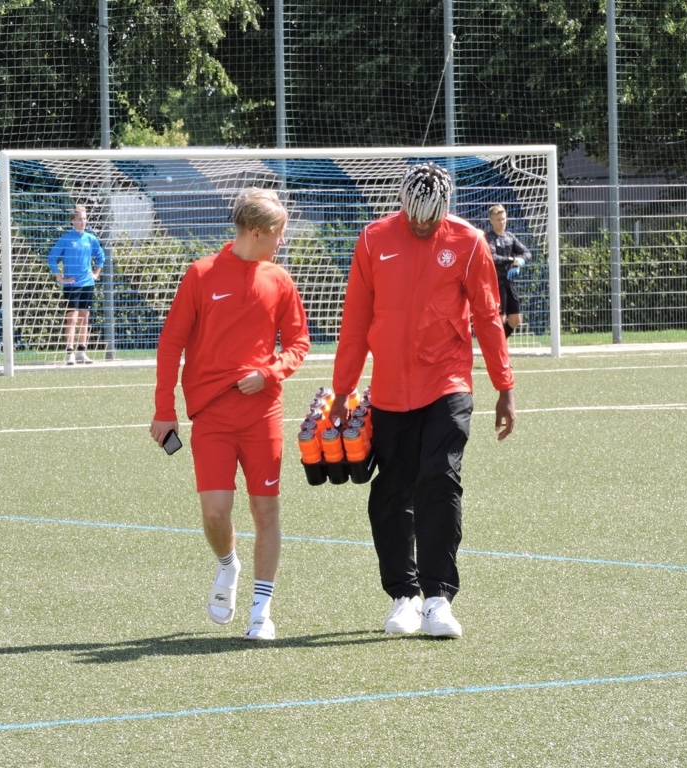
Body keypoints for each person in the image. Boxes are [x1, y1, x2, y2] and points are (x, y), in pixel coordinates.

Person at [328, 162, 515, 639]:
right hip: (390, 389)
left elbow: (488, 316)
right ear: (402, 204)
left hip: (447, 382)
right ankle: (404, 596)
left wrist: (504, 386)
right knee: (392, 491)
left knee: (440, 477)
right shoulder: (372, 239)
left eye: (430, 219)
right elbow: (355, 320)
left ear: (445, 209)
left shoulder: (470, 241)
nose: (420, 225)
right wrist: (343, 390)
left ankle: (438, 598)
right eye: (413, 217)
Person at [149, 188, 309, 641]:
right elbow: (171, 343)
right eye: (279, 233)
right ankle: (228, 565)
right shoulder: (201, 274)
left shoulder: (280, 280)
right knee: (216, 513)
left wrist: (270, 372)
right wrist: (164, 409)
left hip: (263, 414)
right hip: (212, 418)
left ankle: (261, 611)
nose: (282, 241)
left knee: (265, 509)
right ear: (256, 232)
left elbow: (298, 343)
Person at [48, 205, 106, 364]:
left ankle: (82, 352)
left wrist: (96, 273)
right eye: (80, 219)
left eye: (85, 218)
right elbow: (52, 258)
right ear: (73, 221)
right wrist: (60, 278)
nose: (83, 222)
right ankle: (70, 353)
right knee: (72, 318)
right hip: (72, 285)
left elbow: (101, 256)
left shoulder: (90, 238)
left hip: (87, 284)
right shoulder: (66, 239)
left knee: (85, 318)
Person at [485, 204, 532, 338]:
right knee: (500, 318)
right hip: (496, 281)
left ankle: (499, 342)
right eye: (498, 219)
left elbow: (527, 252)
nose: (502, 222)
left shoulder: (510, 237)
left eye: (504, 219)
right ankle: (498, 346)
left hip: (509, 281)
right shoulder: (488, 238)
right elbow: (493, 257)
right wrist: (512, 260)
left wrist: (520, 261)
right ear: (491, 221)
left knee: (515, 319)